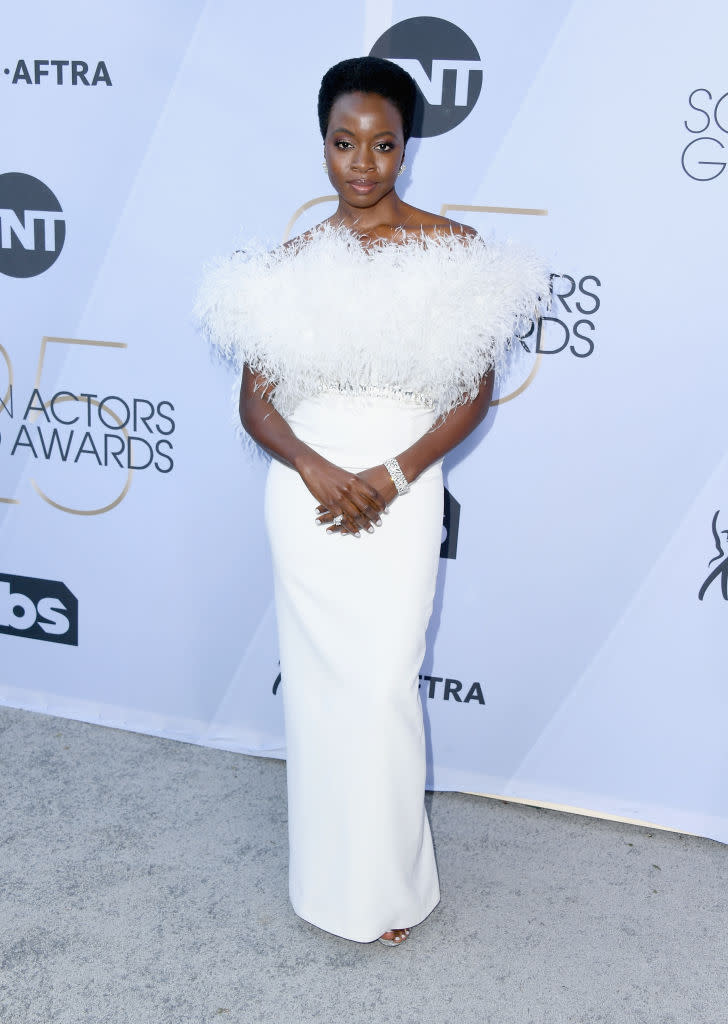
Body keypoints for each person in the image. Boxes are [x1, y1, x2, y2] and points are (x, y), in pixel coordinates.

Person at [195, 56, 548, 946]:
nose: (363, 163)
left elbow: (471, 396)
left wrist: (389, 477)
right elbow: (255, 402)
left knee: (383, 686)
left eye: (383, 145)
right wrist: (316, 469)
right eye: (345, 143)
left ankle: (387, 890)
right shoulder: (288, 265)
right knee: (320, 691)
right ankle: (327, 884)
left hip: (402, 485)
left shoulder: (455, 250)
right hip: (307, 496)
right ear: (322, 144)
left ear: (406, 150)